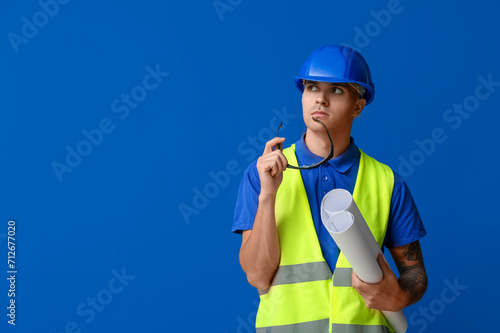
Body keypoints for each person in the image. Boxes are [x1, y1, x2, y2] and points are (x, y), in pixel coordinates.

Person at [232, 45, 428, 332]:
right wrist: (268, 195)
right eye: (312, 87)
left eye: (336, 90)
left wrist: (400, 295)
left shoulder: (387, 182)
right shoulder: (262, 174)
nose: (320, 99)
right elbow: (258, 277)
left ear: (357, 106)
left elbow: (414, 273)